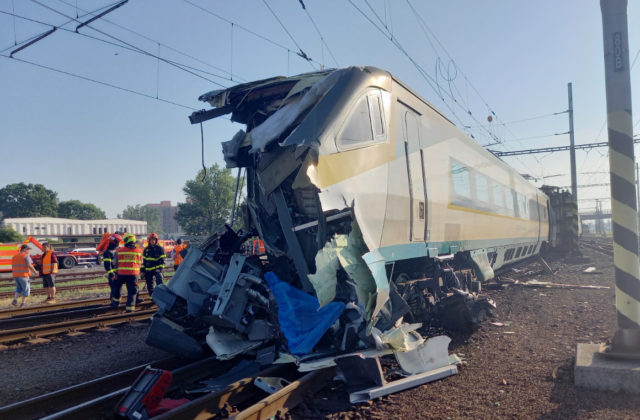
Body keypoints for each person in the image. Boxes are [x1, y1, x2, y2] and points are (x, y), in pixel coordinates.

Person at [112, 233, 142, 312]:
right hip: (133, 274)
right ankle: (130, 309)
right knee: (132, 292)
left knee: (117, 287)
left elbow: (114, 262)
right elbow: (140, 263)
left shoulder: (119, 250)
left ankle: (115, 303)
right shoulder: (139, 251)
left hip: (121, 274)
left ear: (125, 241)